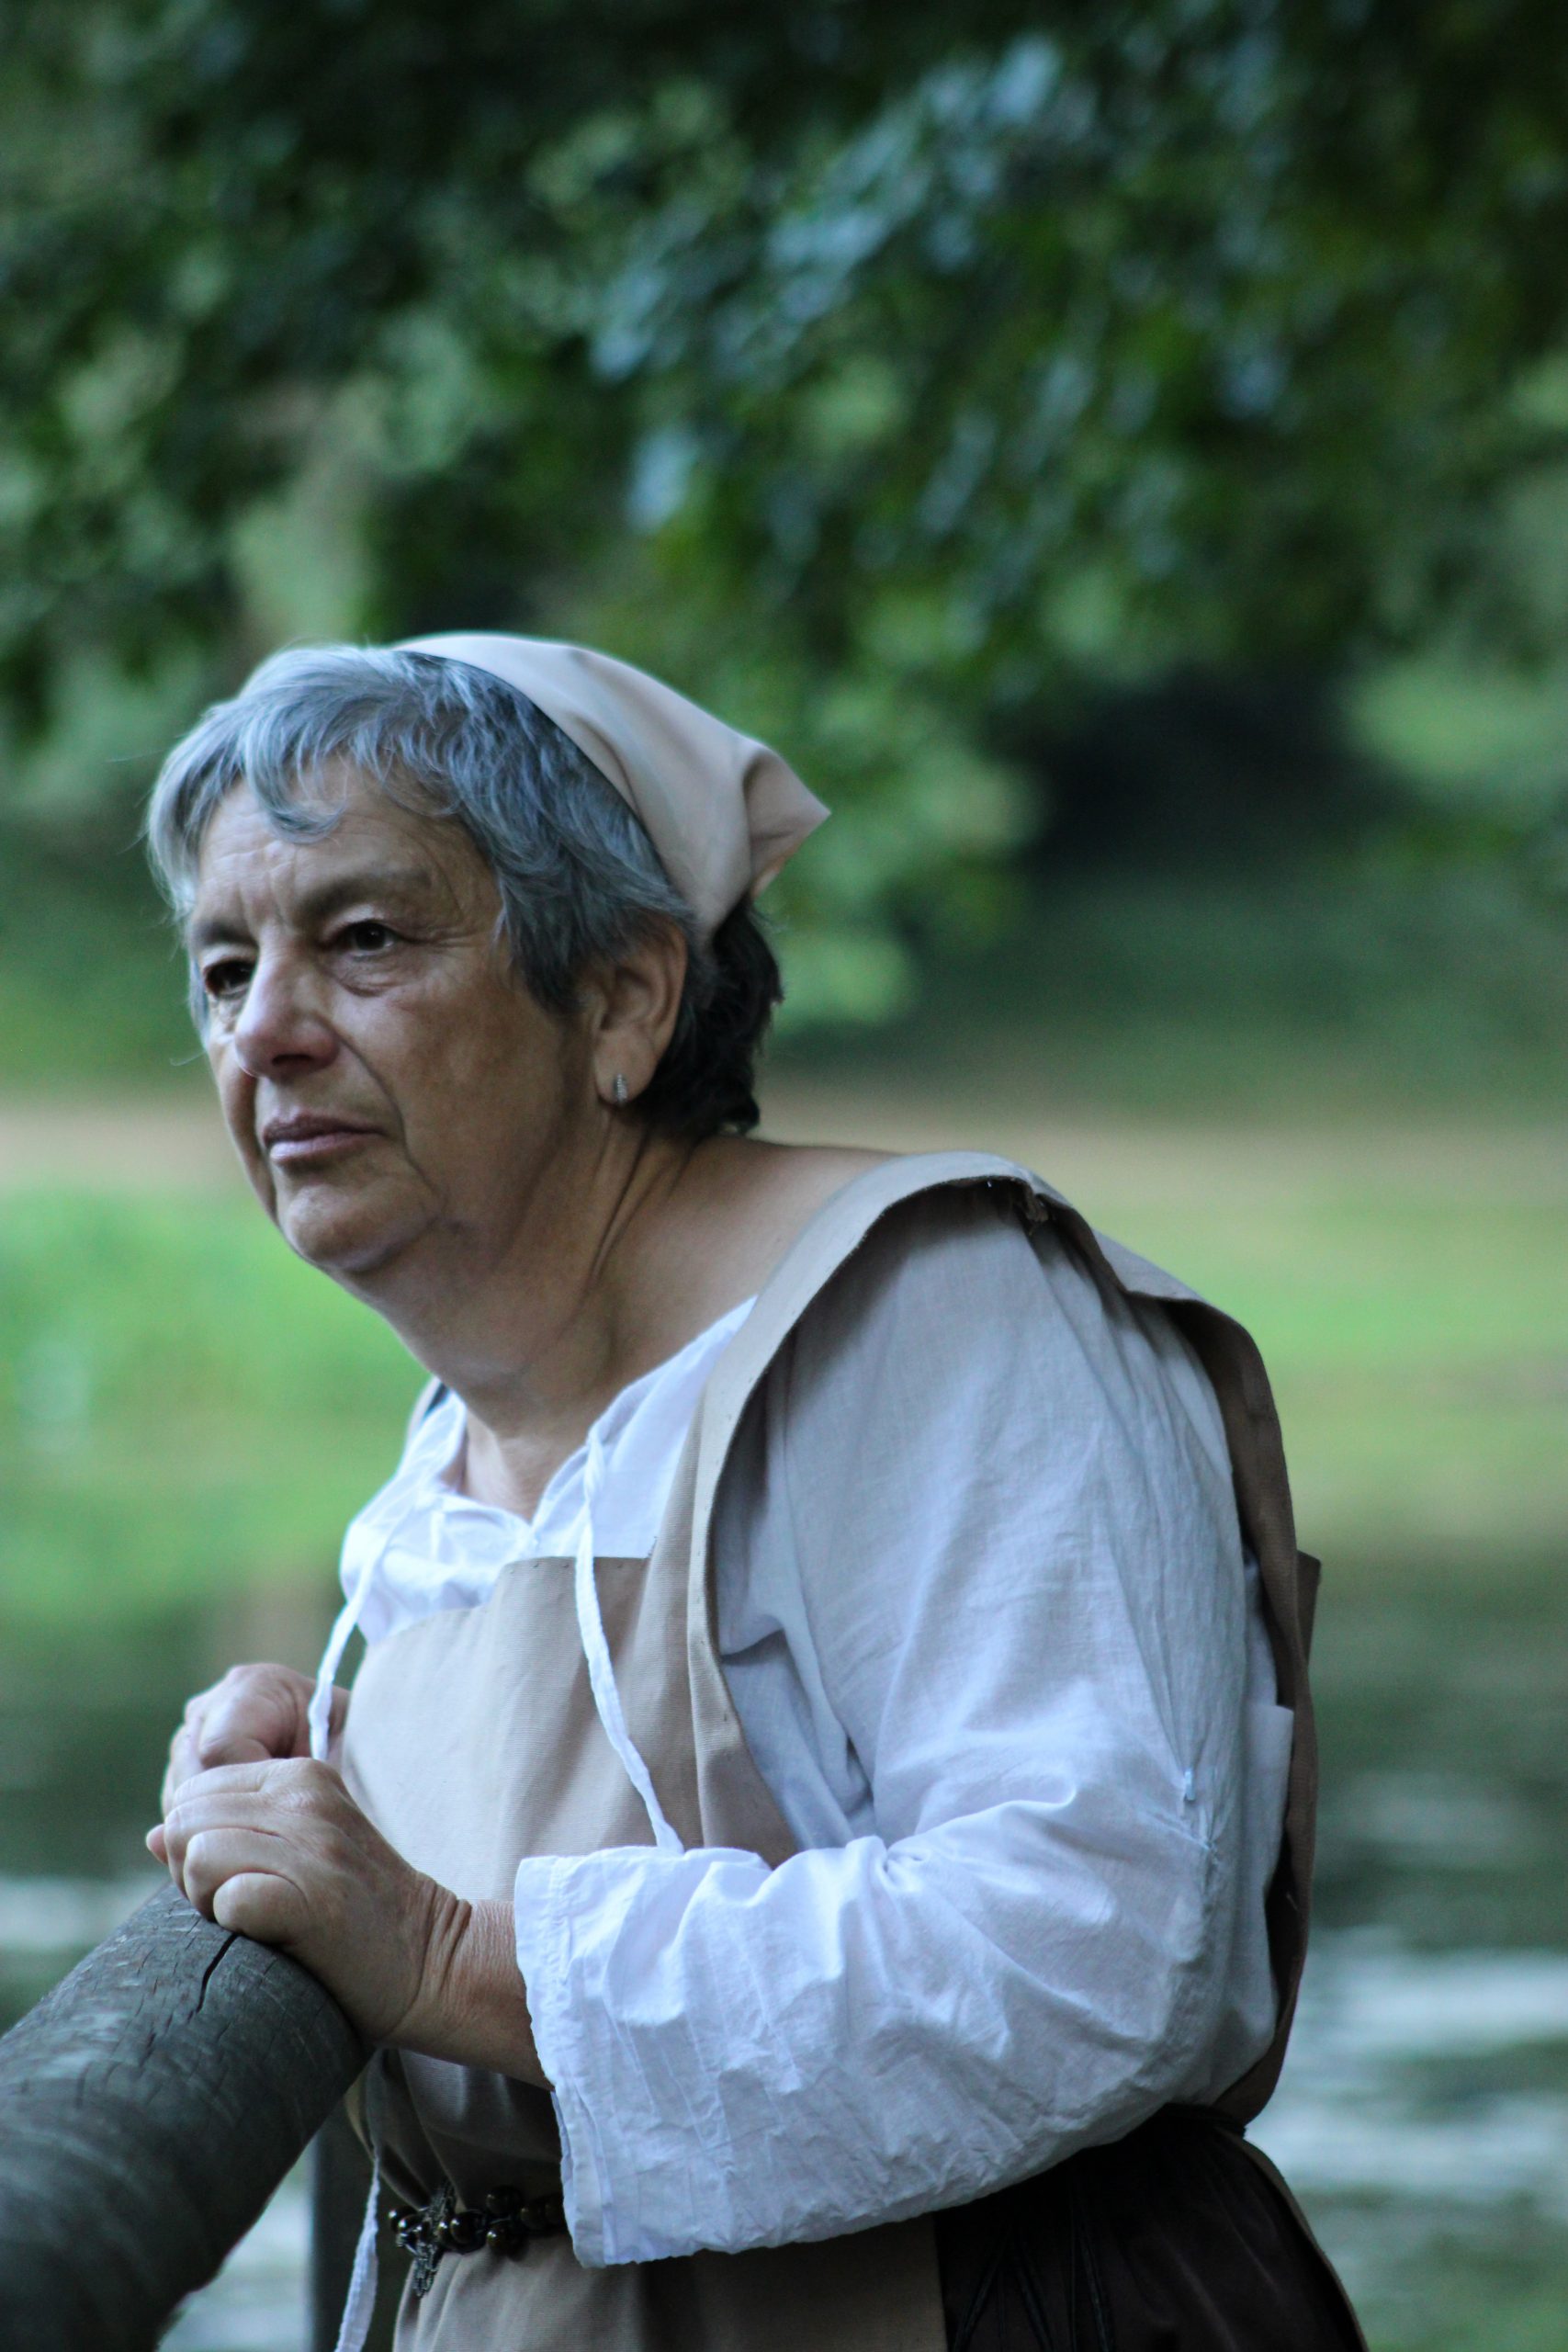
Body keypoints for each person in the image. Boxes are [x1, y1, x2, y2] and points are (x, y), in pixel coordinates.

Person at [145, 634, 1365, 2351]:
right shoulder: (459, 1439)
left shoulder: (936, 1317)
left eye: (364, 940)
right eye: (223, 967)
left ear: (624, 998)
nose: (265, 1033)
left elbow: (1097, 1941)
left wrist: (440, 1954)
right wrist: (318, 1779)